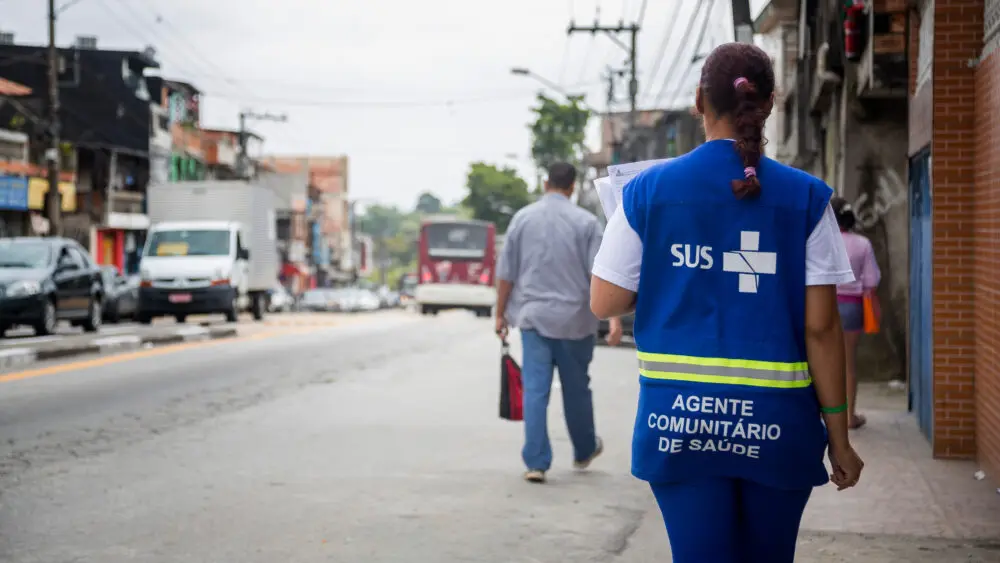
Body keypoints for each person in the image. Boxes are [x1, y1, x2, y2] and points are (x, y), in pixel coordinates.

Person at [589, 43, 865, 563]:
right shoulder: (807, 198)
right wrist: (839, 437)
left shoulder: (646, 192)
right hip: (779, 426)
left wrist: (673, 260)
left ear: (699, 101)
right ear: (769, 104)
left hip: (678, 424)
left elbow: (605, 302)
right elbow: (823, 332)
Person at [495, 161, 623, 484]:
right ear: (572, 187)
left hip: (533, 319)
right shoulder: (586, 223)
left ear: (545, 183)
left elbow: (506, 274)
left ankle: (536, 462)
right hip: (576, 322)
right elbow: (601, 275)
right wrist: (614, 319)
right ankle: (583, 450)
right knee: (577, 389)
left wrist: (499, 314)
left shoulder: (522, 220)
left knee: (535, 390)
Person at [830, 197, 881, 430]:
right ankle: (849, 417)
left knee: (823, 360)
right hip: (852, 307)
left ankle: (824, 416)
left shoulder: (822, 242)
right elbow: (871, 281)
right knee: (849, 363)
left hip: (824, 304)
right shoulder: (863, 243)